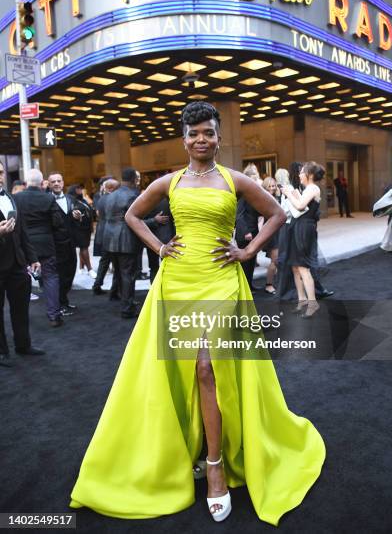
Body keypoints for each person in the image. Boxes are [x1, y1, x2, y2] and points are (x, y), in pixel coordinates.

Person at [70, 101, 325, 525]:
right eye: (193, 134)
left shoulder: (236, 179)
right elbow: (134, 216)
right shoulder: (169, 182)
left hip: (222, 282)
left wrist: (247, 250)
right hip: (177, 283)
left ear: (218, 136)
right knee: (182, 370)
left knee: (207, 367)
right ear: (184, 138)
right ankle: (188, 447)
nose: (201, 140)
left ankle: (215, 467)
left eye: (208, 132)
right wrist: (159, 247)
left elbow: (277, 214)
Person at [0, 160, 45, 367]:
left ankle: (23, 344)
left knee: (21, 307)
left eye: (1, 172)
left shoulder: (11, 197)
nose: (0, 176)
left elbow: (23, 231)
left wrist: (33, 258)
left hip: (17, 263)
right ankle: (1, 351)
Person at [14, 169, 64, 328]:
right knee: (51, 277)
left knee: (23, 279)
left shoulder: (16, 198)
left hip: (23, 244)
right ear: (42, 181)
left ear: (26, 182)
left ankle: (21, 319)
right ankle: (54, 315)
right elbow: (57, 222)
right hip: (45, 244)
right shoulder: (48, 198)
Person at [283, 162, 325, 318]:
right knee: (295, 266)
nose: (299, 174)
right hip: (299, 227)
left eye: (302, 172)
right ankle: (302, 300)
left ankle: (312, 303)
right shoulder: (308, 189)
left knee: (303, 267)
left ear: (310, 175)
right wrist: (293, 193)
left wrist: (288, 194)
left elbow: (300, 206)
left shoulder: (313, 188)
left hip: (304, 229)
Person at [102, 168, 141, 318]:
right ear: (133, 179)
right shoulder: (132, 195)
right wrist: (154, 221)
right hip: (126, 239)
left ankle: (119, 297)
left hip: (110, 238)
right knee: (128, 275)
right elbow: (135, 219)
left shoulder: (110, 195)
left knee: (119, 272)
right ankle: (127, 307)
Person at [48, 173, 81, 316]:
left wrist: (78, 218)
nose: (56, 183)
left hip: (70, 243)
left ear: (63, 183)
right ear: (49, 184)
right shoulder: (46, 200)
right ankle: (60, 304)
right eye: (53, 181)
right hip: (55, 244)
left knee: (70, 272)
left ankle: (64, 300)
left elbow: (75, 220)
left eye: (58, 181)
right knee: (59, 275)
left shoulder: (70, 199)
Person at [235, 163, 261, 291]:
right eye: (255, 177)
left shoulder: (251, 193)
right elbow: (238, 215)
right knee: (245, 262)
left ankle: (249, 285)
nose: (257, 179)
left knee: (251, 261)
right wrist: (246, 232)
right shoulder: (243, 193)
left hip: (253, 230)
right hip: (245, 233)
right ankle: (244, 287)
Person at [92, 178, 120, 296]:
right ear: (111, 188)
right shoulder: (113, 199)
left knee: (104, 261)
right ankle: (114, 291)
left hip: (102, 231)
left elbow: (98, 213)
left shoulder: (100, 198)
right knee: (117, 263)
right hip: (111, 233)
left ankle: (97, 285)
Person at [67, 184, 96, 279]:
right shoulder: (70, 200)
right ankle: (90, 269)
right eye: (78, 188)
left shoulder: (82, 199)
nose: (80, 190)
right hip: (78, 228)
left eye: (80, 188)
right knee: (84, 247)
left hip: (85, 228)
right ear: (73, 190)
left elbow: (89, 210)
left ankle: (81, 267)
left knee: (83, 247)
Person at [261, 176, 280, 294]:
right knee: (274, 260)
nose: (272, 188)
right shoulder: (264, 199)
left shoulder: (276, 197)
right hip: (271, 233)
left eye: (274, 185)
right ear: (265, 187)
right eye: (270, 186)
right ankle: (268, 285)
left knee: (278, 261)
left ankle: (276, 283)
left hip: (279, 231)